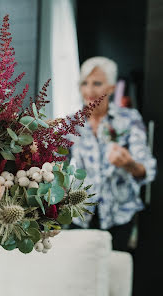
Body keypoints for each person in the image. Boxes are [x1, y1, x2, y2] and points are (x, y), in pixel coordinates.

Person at [68, 56, 156, 251]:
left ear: (112, 88)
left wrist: (129, 164)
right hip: (81, 214)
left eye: (97, 83)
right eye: (84, 83)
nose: (89, 90)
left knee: (115, 271)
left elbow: (146, 170)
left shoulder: (130, 119)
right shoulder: (71, 123)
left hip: (119, 215)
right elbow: (59, 165)